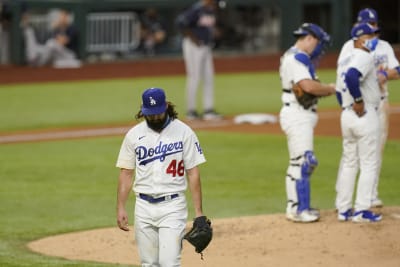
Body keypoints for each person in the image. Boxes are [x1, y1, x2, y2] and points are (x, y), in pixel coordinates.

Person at [116, 87, 210, 266]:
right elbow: (126, 173)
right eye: (150, 114)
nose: (154, 118)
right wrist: (120, 206)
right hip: (142, 207)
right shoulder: (134, 135)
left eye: (157, 113)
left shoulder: (184, 132)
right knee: (148, 263)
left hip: (173, 206)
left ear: (166, 106)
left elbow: (193, 172)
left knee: (169, 262)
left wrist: (199, 213)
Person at [336, 8, 400, 208]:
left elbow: (397, 70)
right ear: (359, 32)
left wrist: (384, 75)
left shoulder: (382, 46)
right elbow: (348, 76)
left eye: (375, 28)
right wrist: (355, 101)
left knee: (354, 158)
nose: (374, 33)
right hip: (362, 106)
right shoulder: (354, 51)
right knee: (364, 158)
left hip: (368, 105)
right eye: (370, 29)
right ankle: (361, 206)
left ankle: (346, 204)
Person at [279, 23, 335, 223]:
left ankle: (296, 207)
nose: (320, 48)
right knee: (304, 162)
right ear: (310, 38)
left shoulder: (291, 55)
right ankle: (299, 209)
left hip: (297, 113)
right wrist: (330, 88)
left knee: (298, 162)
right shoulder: (296, 58)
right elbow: (307, 86)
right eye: (319, 43)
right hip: (297, 114)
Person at [335, 22, 383, 222]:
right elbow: (353, 78)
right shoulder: (362, 56)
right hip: (363, 114)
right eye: (371, 36)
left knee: (349, 161)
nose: (374, 39)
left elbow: (339, 88)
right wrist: (358, 101)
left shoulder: (345, 59)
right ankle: (362, 210)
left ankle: (343, 209)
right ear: (361, 38)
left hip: (347, 116)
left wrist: (348, 107)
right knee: (369, 163)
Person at [176, 0, 223, 121]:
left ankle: (209, 110)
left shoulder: (210, 10)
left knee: (209, 77)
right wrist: (193, 38)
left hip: (206, 46)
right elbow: (181, 23)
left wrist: (214, 31)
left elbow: (206, 27)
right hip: (193, 46)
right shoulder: (196, 10)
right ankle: (191, 111)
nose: (215, 5)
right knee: (194, 77)